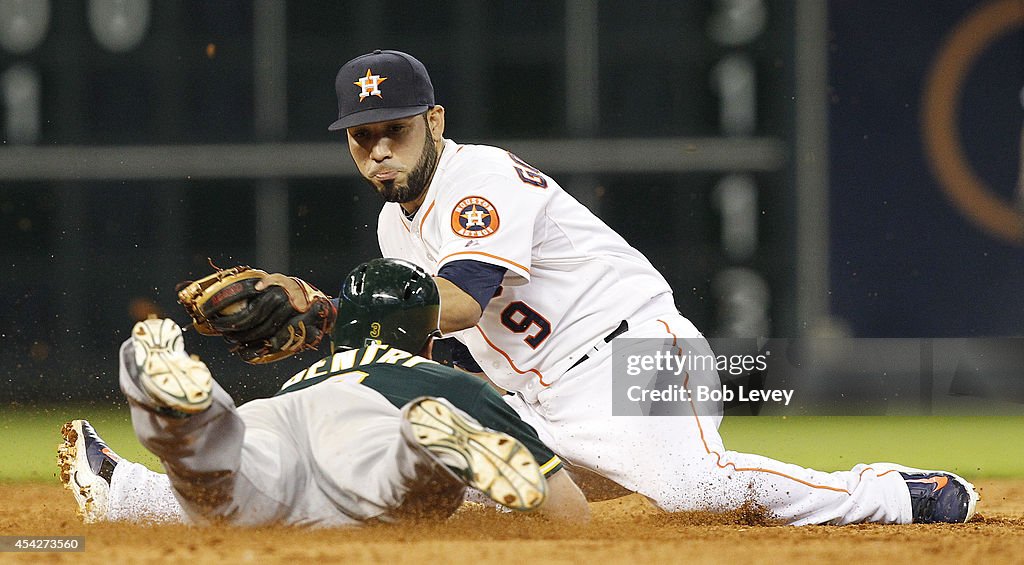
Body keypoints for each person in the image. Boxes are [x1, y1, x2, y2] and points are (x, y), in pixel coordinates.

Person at [322, 49, 979, 525]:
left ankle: (891, 494)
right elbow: (441, 348)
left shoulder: (478, 177)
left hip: (632, 360)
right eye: (362, 136)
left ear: (434, 122)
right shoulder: (393, 227)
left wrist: (331, 313)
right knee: (423, 488)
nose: (380, 149)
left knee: (693, 487)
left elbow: (461, 299)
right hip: (544, 403)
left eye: (396, 129)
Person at [57, 259, 589, 526]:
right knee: (398, 485)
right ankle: (422, 450)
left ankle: (182, 434)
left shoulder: (301, 377)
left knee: (227, 488)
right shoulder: (448, 382)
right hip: (377, 424)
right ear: (426, 334)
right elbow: (571, 514)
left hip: (275, 415)